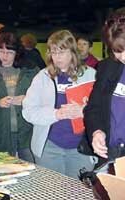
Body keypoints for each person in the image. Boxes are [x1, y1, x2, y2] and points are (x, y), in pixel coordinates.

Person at [79, 7, 125, 169]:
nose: (124, 57)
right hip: (109, 155)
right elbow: (93, 108)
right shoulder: (107, 68)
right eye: (117, 51)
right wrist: (96, 131)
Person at [22, 30, 96, 178]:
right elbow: (28, 111)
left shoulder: (91, 75)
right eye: (54, 52)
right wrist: (56, 114)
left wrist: (84, 111)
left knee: (78, 193)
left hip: (81, 148)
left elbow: (103, 110)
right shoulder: (42, 77)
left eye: (62, 52)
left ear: (73, 52)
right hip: (49, 147)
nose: (57, 57)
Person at [0, 31, 39, 162]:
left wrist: (27, 100)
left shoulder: (32, 71)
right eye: (1, 52)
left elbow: (45, 99)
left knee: (32, 175)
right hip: (0, 136)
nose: (5, 56)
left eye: (9, 52)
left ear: (17, 53)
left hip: (28, 135)